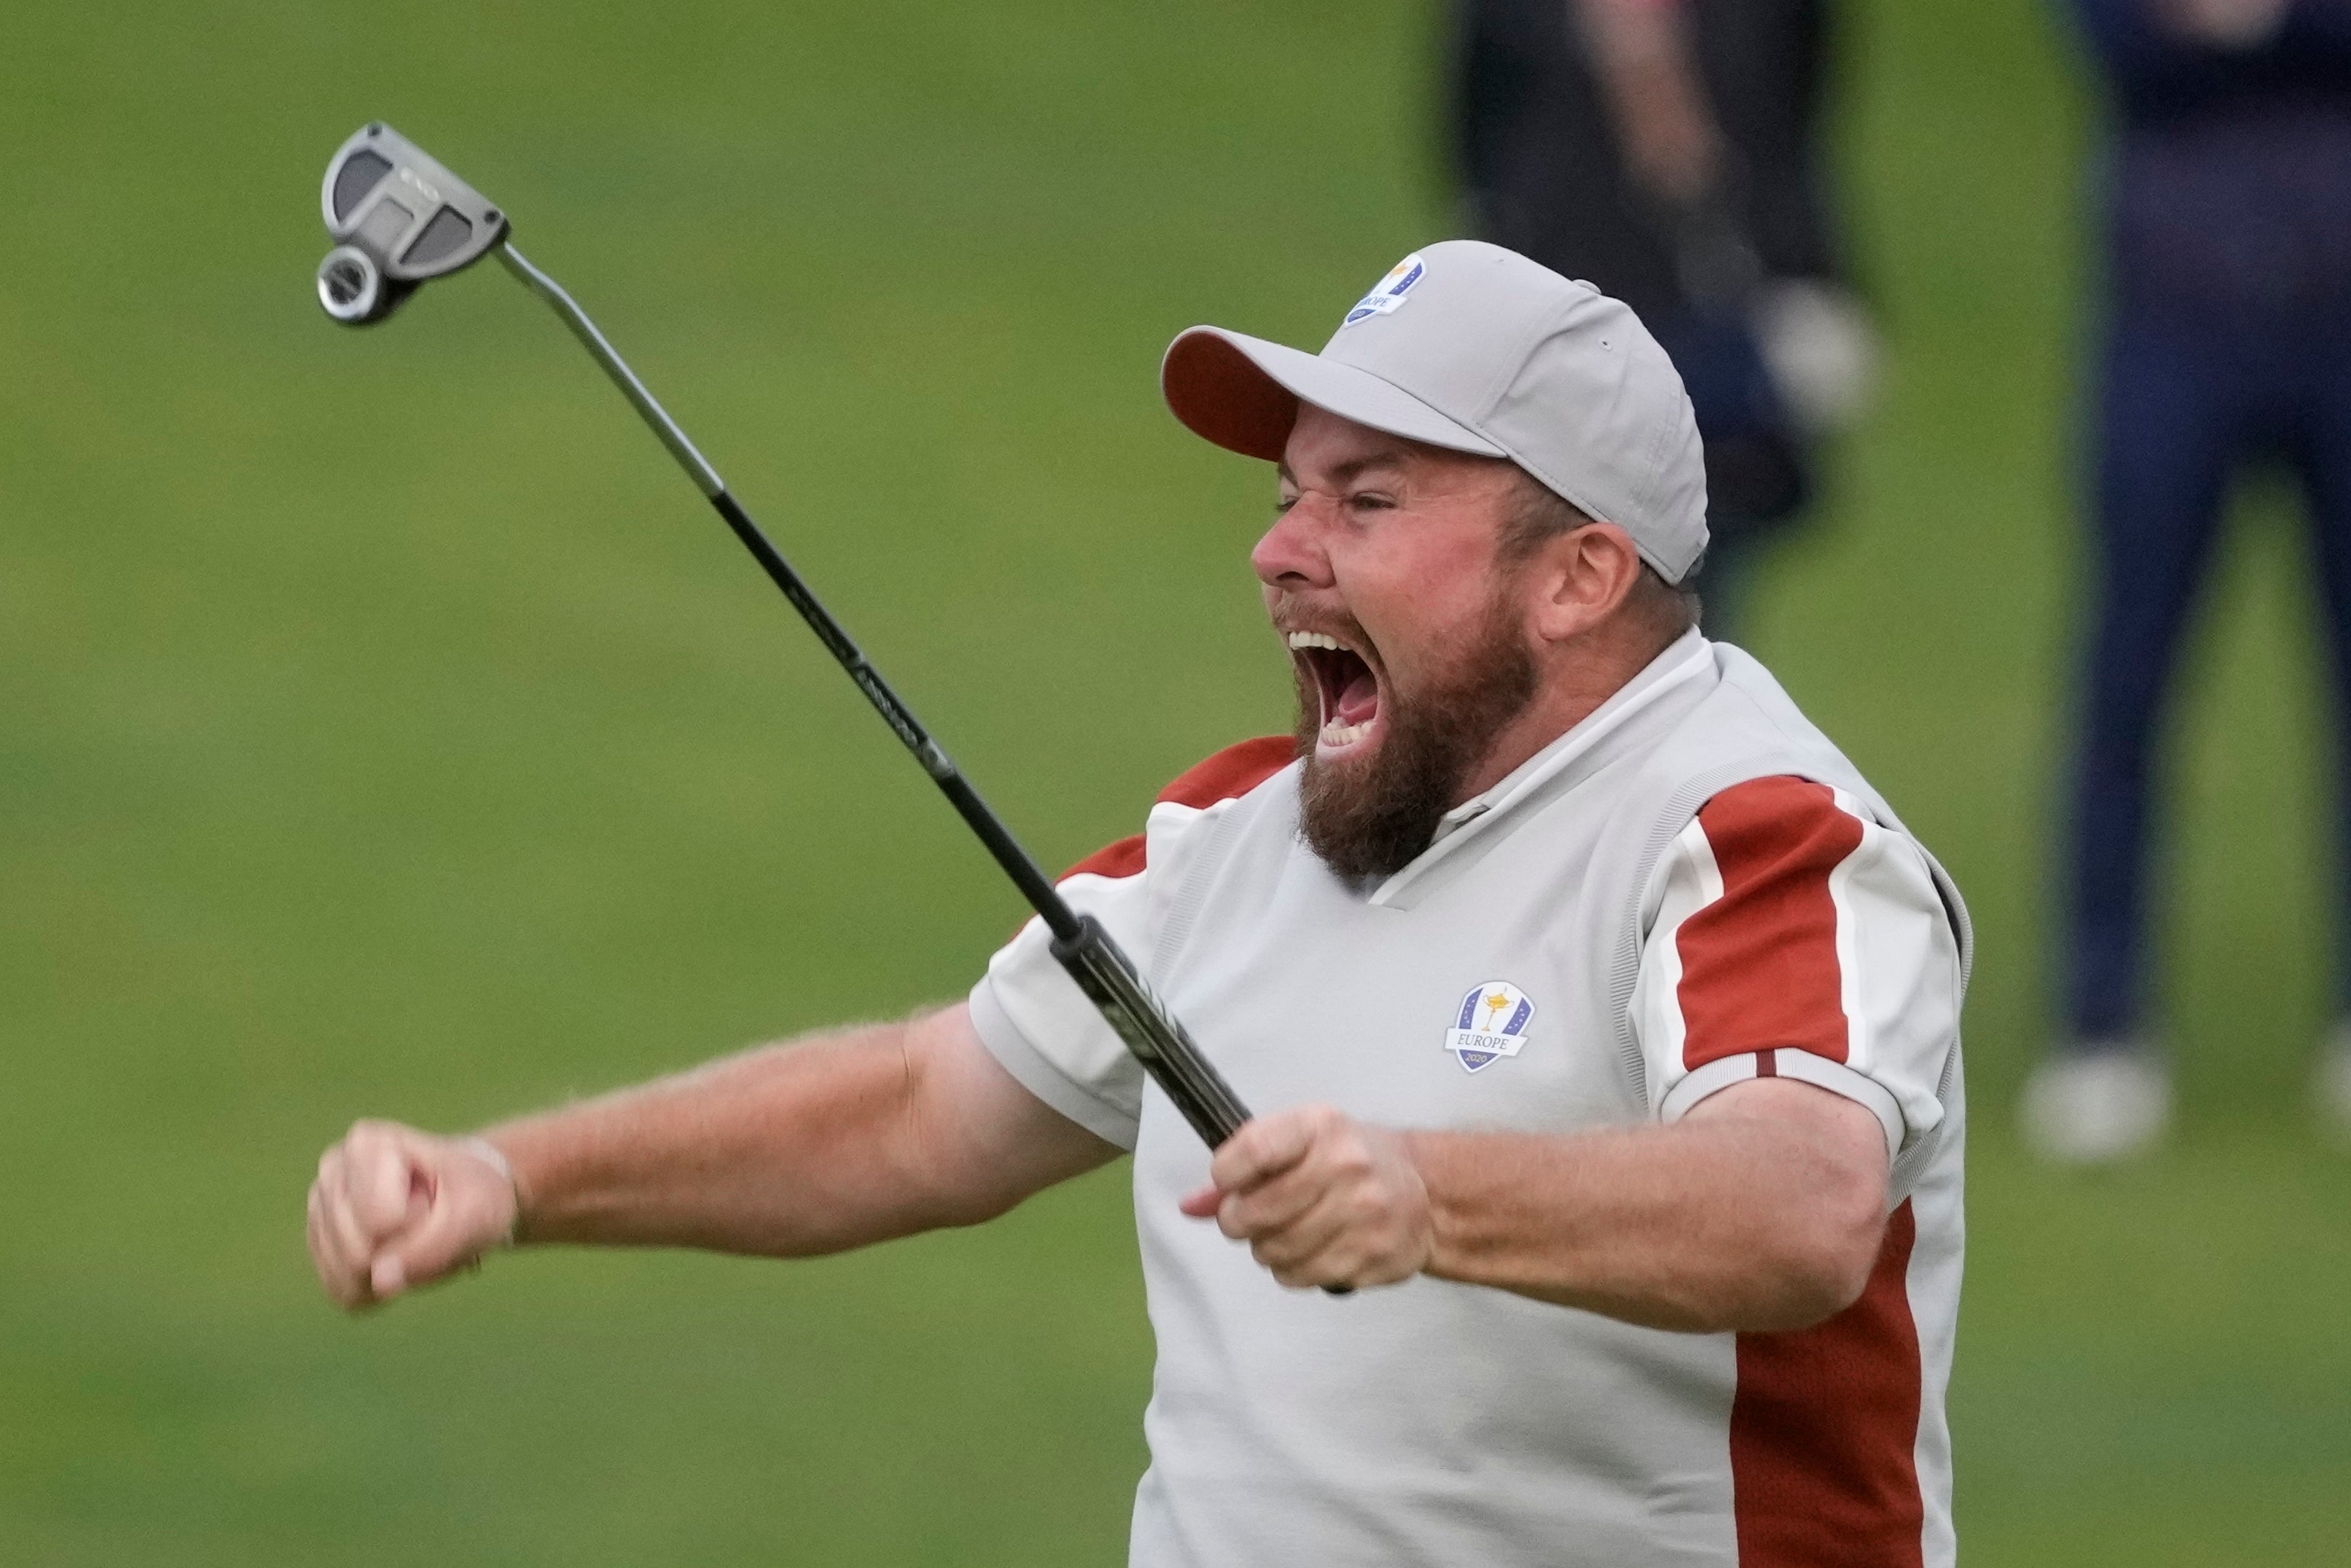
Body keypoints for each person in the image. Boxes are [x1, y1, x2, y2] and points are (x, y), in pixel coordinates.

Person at [307, 241, 1971, 1567]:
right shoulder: (1238, 833)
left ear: (1577, 573)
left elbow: (1794, 1203)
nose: (1278, 552)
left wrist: (1423, 1193)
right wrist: (512, 1179)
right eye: (1283, 495)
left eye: (1364, 501)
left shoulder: (1752, 832)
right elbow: (914, 1109)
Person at [2027, 0, 2351, 1162]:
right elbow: (2117, 44)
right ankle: (2101, 1022)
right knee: (2129, 677)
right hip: (2176, 313)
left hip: (2337, 306)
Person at [1450, 0, 1880, 642]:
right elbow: (1478, 133)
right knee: (1541, 554)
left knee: (1688, 577)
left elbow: (1795, 134)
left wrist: (1812, 282)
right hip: (1564, 311)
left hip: (1703, 321)